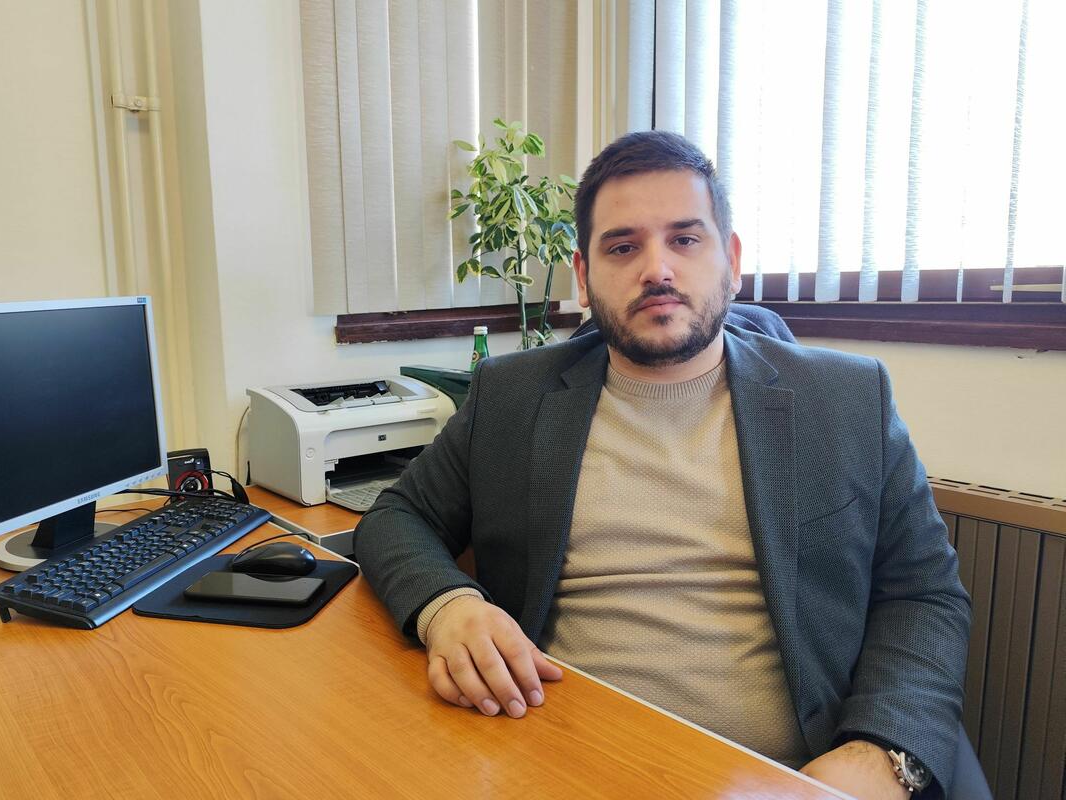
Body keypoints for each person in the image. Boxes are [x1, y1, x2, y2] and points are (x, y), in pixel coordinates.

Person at [355, 130, 970, 799]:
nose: (657, 269)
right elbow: (398, 516)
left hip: (785, 778)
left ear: (731, 260)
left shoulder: (846, 399)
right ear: (583, 276)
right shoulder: (512, 397)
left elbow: (924, 592)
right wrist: (448, 608)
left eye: (685, 239)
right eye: (623, 247)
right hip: (551, 760)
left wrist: (883, 755)